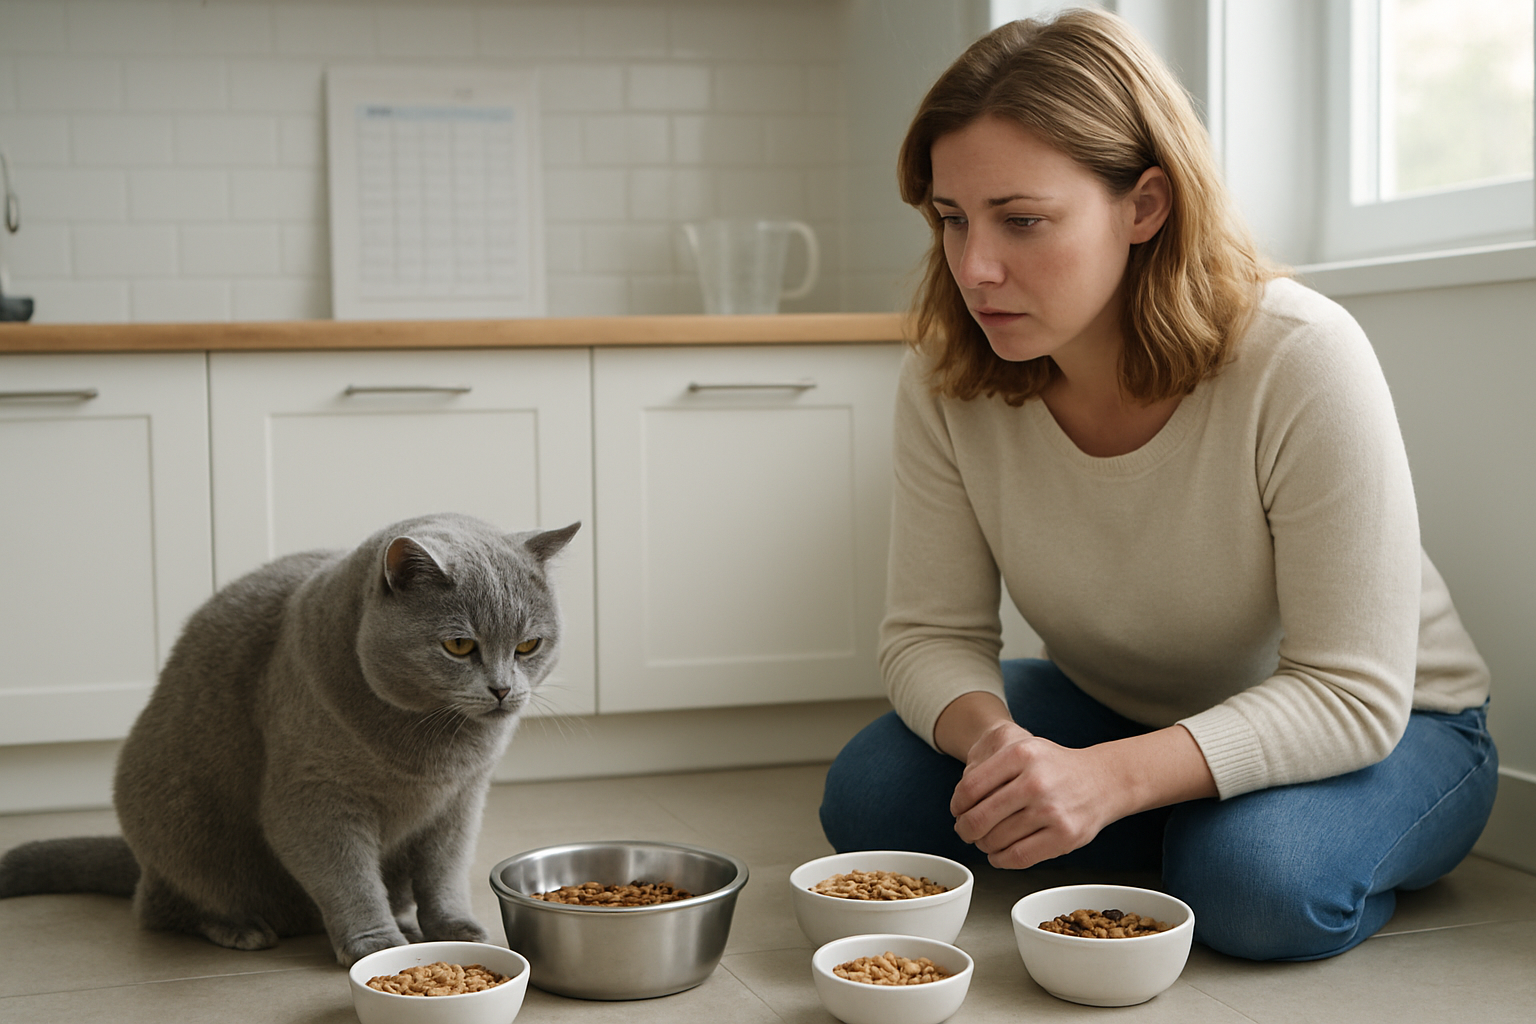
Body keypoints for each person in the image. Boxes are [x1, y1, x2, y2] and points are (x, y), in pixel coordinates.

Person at [819, 8, 1498, 962]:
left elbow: (1348, 690)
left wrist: (1110, 783)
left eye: (1022, 221)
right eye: (951, 219)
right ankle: (1167, 824)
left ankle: (1192, 838)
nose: (974, 267)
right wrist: (1001, 749)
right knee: (872, 794)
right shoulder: (946, 378)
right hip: (1125, 708)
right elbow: (930, 635)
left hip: (1389, 729)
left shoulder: (1301, 356)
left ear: (1145, 205)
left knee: (1255, 889)